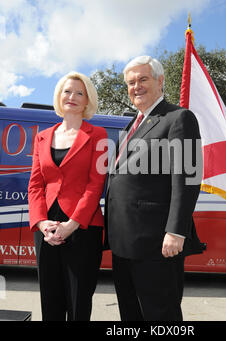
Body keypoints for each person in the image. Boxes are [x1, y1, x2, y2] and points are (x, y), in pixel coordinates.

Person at [105, 56, 205, 321]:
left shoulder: (178, 118)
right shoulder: (131, 125)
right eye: (130, 82)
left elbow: (187, 177)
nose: (135, 86)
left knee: (160, 315)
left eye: (143, 79)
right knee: (130, 314)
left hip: (156, 244)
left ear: (160, 81)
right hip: (124, 241)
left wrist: (176, 230)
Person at [28, 71, 108, 321]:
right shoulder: (41, 137)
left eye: (79, 93)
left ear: (87, 101)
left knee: (78, 303)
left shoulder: (99, 135)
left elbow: (96, 186)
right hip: (47, 229)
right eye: (67, 91)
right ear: (59, 96)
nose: (72, 96)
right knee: (50, 301)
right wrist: (41, 223)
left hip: (82, 228)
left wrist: (72, 225)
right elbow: (35, 185)